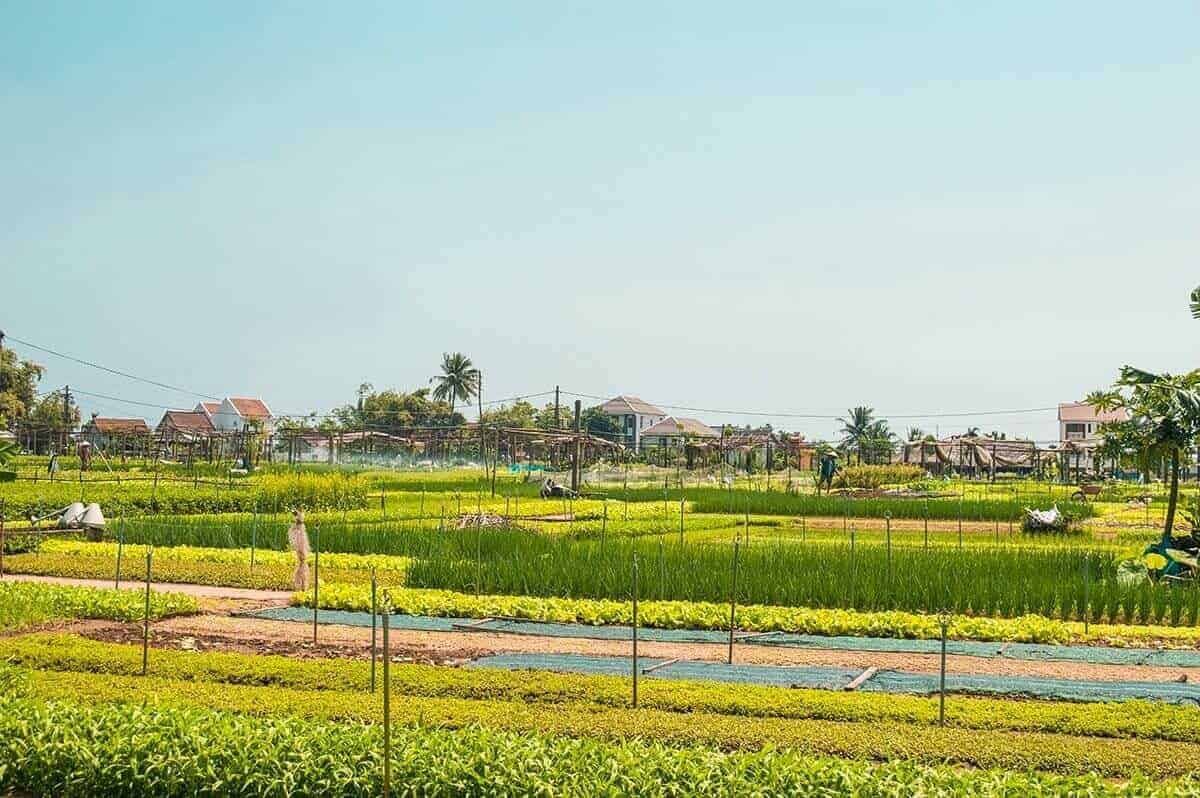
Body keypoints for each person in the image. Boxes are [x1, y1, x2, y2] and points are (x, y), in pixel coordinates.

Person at [287, 509, 310, 591]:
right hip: (301, 554)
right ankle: (301, 584)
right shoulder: (296, 529)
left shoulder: (300, 530)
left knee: (302, 560)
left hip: (302, 554)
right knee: (302, 560)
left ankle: (302, 584)